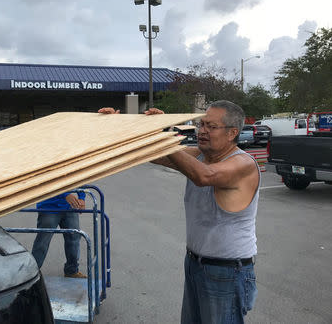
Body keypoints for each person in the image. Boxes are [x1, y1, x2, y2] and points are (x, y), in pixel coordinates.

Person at [99, 101, 259, 323]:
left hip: (226, 272)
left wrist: (161, 136)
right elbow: (150, 154)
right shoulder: (200, 156)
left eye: (211, 127)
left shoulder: (243, 163)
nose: (202, 131)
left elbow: (205, 176)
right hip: (195, 263)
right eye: (200, 124)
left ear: (232, 133)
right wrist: (122, 125)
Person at [31, 190, 87, 278]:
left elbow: (79, 178)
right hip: (49, 207)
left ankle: (71, 271)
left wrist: (81, 197)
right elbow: (46, 181)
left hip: (69, 207)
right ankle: (31, 274)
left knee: (74, 239)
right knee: (43, 242)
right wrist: (65, 194)